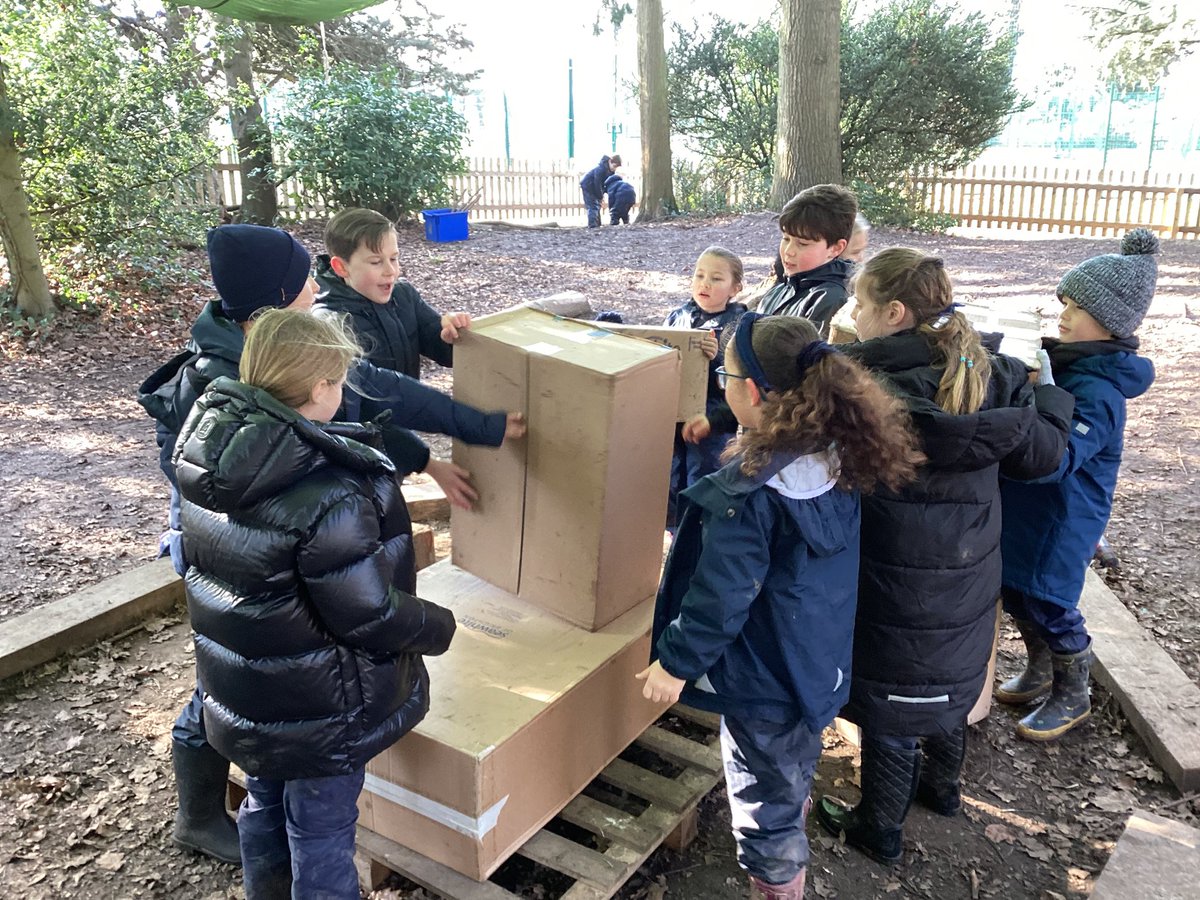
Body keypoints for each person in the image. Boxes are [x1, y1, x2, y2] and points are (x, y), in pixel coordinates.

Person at [137, 224, 521, 865]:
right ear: (278, 297)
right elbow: (363, 413)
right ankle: (199, 813)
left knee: (244, 673)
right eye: (306, 278)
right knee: (238, 683)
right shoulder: (244, 373)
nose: (318, 284)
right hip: (238, 550)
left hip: (237, 550)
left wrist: (468, 424)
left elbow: (371, 397)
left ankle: (240, 817)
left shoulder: (257, 349)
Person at [637, 313, 924, 899]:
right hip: (815, 655)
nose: (722, 385)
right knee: (788, 758)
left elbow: (720, 598)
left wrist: (675, 663)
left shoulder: (750, 494)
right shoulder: (835, 453)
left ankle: (777, 880)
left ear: (752, 392)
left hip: (763, 675)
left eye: (725, 374)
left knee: (758, 790)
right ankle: (791, 803)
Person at [174, 308, 457, 898]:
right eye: (339, 379)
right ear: (320, 388)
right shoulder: (329, 493)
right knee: (322, 829)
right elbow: (368, 612)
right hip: (321, 705)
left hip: (247, 695)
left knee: (263, 806)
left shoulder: (206, 465)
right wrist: (435, 626)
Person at [814, 249, 1075, 866]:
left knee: (892, 704)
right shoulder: (994, 374)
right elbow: (1044, 457)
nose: (853, 313)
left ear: (894, 312)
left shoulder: (858, 385)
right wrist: (1053, 399)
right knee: (947, 681)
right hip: (967, 566)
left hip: (888, 571)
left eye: (861, 303)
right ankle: (944, 792)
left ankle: (879, 831)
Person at [998, 228, 1158, 741]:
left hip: (1064, 516)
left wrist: (1040, 399)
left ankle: (1073, 695)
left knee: (1050, 600)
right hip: (1032, 507)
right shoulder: (1069, 364)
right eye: (1064, 302)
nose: (1062, 315)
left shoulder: (1098, 390)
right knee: (1017, 591)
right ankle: (1040, 670)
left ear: (1109, 323)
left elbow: (1060, 458)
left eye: (1077, 308)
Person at [315, 207, 470, 382]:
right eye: (376, 262)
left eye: (394, 259)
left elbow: (444, 350)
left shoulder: (403, 295)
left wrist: (451, 336)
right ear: (341, 267)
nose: (391, 271)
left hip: (412, 406)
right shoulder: (330, 322)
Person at [662, 246, 747, 529]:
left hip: (711, 416)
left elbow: (738, 382)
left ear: (735, 288)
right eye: (699, 275)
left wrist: (717, 355)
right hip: (674, 412)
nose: (704, 284)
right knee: (672, 476)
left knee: (704, 477)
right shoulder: (677, 316)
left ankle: (700, 532)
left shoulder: (738, 324)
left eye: (716, 278)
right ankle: (675, 531)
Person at [757, 184, 859, 337]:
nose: (788, 251)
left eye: (802, 244)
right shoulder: (781, 288)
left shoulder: (832, 300)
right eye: (786, 239)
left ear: (836, 248)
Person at [580, 153, 621, 228]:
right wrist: (600, 195)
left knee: (597, 205)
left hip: (594, 187)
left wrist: (602, 193)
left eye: (616, 167)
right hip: (588, 186)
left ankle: (597, 224)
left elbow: (605, 183)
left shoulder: (608, 171)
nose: (614, 169)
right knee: (593, 206)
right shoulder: (601, 169)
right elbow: (597, 183)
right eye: (614, 166)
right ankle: (592, 225)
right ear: (610, 161)